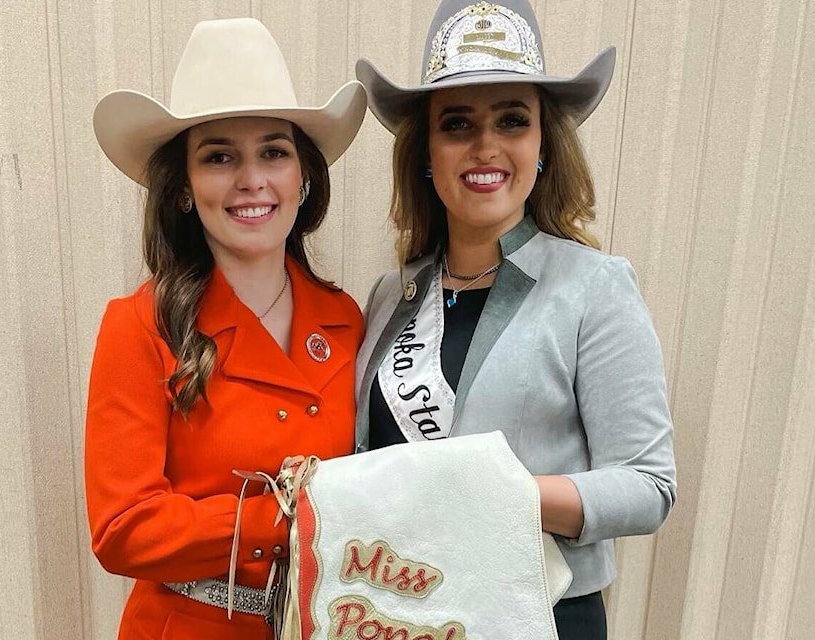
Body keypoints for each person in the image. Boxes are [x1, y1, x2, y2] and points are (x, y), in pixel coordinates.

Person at [353, 1, 676, 637]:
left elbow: (648, 486)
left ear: (542, 144)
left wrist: (499, 496)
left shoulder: (594, 288)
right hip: (406, 610)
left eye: (511, 119)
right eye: (457, 123)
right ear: (427, 151)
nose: (485, 146)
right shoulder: (391, 294)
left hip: (539, 616)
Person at [84, 18, 366, 640]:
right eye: (218, 156)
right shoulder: (139, 325)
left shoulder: (346, 318)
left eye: (273, 151)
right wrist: (290, 522)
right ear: (183, 186)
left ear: (303, 176)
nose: (251, 179)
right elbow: (122, 529)